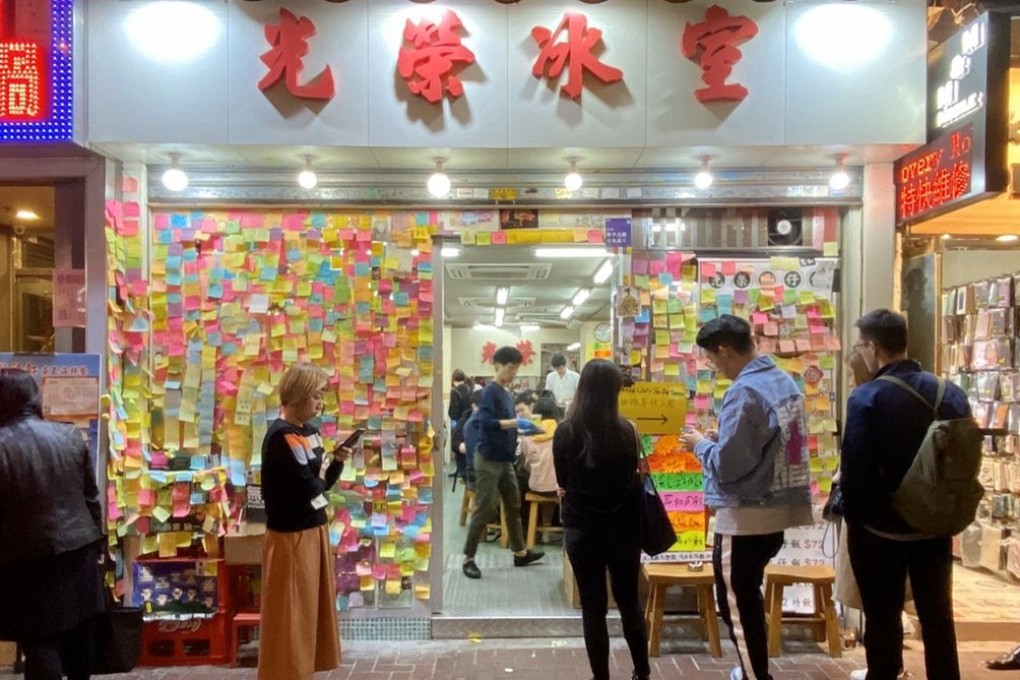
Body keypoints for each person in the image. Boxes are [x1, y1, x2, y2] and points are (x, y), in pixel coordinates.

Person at [682, 315, 813, 680]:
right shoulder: (784, 381)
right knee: (748, 595)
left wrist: (701, 445)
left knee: (737, 604)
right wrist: (720, 440)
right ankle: (753, 670)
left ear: (724, 350)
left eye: (711, 358)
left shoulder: (744, 390)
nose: (712, 366)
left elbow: (728, 466)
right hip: (777, 509)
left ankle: (756, 674)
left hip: (744, 514)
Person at [840, 309, 969, 680]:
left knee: (883, 618)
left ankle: (886, 673)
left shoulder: (868, 396)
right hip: (935, 523)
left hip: (881, 529)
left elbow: (856, 470)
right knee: (937, 617)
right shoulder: (950, 392)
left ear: (873, 347)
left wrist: (857, 520)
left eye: (861, 345)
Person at [0, 369, 105, 680]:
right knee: (79, 637)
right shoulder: (69, 436)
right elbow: (90, 496)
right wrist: (98, 544)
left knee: (40, 641)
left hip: (25, 559)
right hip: (79, 550)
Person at [553, 360, 649, 680]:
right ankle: (643, 672)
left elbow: (563, 480)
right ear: (614, 392)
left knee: (593, 608)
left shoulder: (565, 432)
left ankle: (601, 677)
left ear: (581, 389)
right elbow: (636, 476)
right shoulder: (628, 430)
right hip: (624, 528)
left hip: (582, 530)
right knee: (629, 603)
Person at [259, 363, 351, 680]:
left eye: (321, 396)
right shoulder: (281, 437)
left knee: (310, 611)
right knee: (292, 614)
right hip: (291, 537)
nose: (320, 403)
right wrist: (324, 474)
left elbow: (319, 484)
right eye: (316, 396)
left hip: (313, 529)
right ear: (297, 396)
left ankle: (304, 669)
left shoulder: (309, 433)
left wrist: (335, 463)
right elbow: (310, 486)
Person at [462, 346, 544, 579]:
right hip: (488, 458)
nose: (514, 372)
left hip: (505, 459)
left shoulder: (507, 394)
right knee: (486, 507)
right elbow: (485, 422)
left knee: (513, 504)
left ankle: (519, 552)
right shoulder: (490, 391)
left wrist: (526, 429)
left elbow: (506, 425)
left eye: (516, 368)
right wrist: (516, 423)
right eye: (510, 367)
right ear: (497, 365)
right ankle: (468, 557)